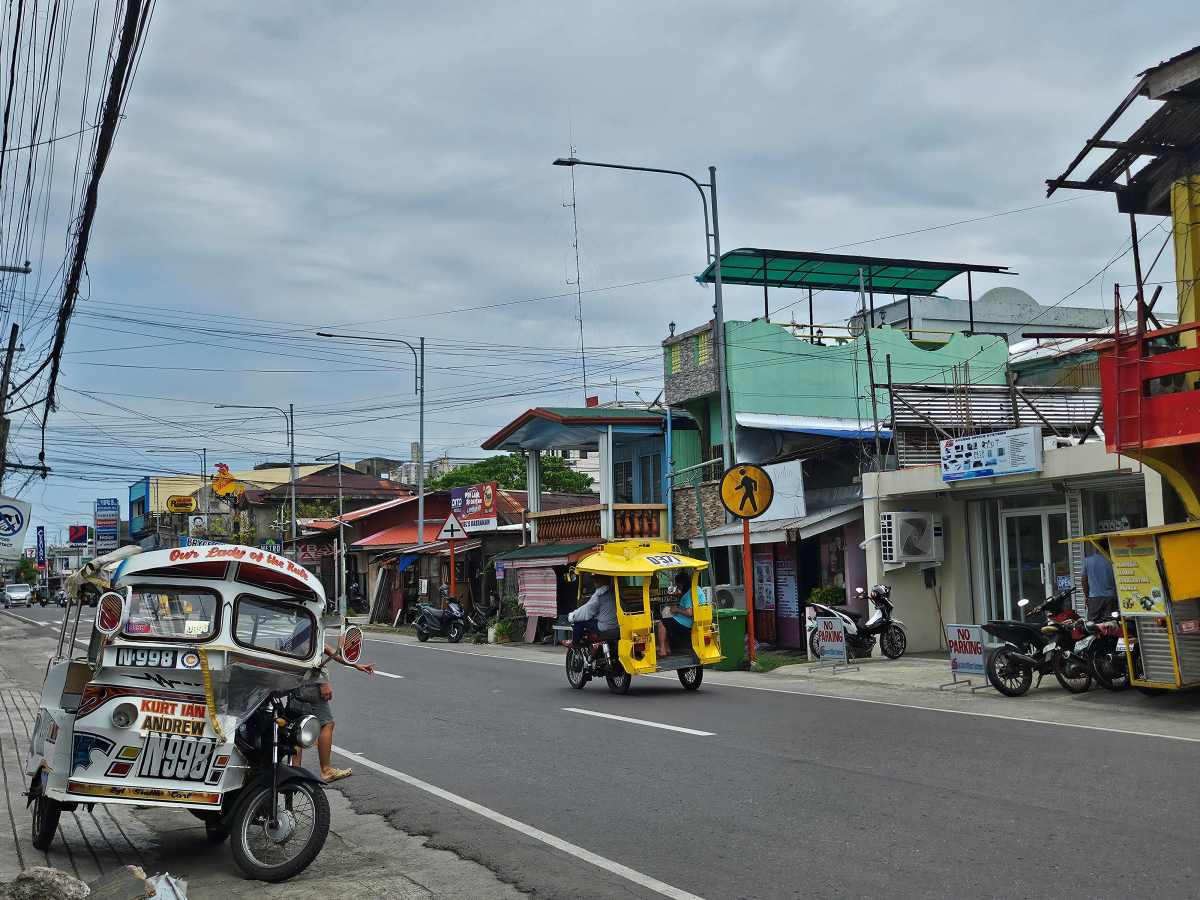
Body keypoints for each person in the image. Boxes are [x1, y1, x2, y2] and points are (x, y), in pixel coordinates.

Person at [294, 639, 375, 783]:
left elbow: (330, 652)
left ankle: (294, 771)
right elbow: (317, 658)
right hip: (311, 684)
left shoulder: (294, 634)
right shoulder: (310, 631)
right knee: (326, 724)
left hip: (293, 683)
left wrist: (357, 665)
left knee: (296, 726)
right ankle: (326, 770)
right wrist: (323, 682)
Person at [565, 575, 617, 647]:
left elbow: (586, 611)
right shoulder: (614, 593)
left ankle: (575, 643)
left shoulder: (598, 595)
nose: (594, 582)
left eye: (596, 580)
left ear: (600, 582)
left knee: (579, 621)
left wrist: (572, 616)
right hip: (617, 626)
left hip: (605, 627)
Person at [657, 572, 696, 658]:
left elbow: (690, 612)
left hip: (687, 623)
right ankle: (668, 648)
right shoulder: (696, 589)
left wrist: (676, 609)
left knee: (662, 623)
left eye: (678, 585)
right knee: (667, 620)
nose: (677, 587)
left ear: (682, 583)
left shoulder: (689, 594)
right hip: (692, 621)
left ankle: (662, 650)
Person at [1082, 545, 1118, 621]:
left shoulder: (1088, 561)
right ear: (1108, 548)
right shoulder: (1112, 560)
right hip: (1110, 597)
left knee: (1093, 624)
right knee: (1110, 623)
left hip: (1094, 598)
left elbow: (1084, 580)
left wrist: (1086, 596)